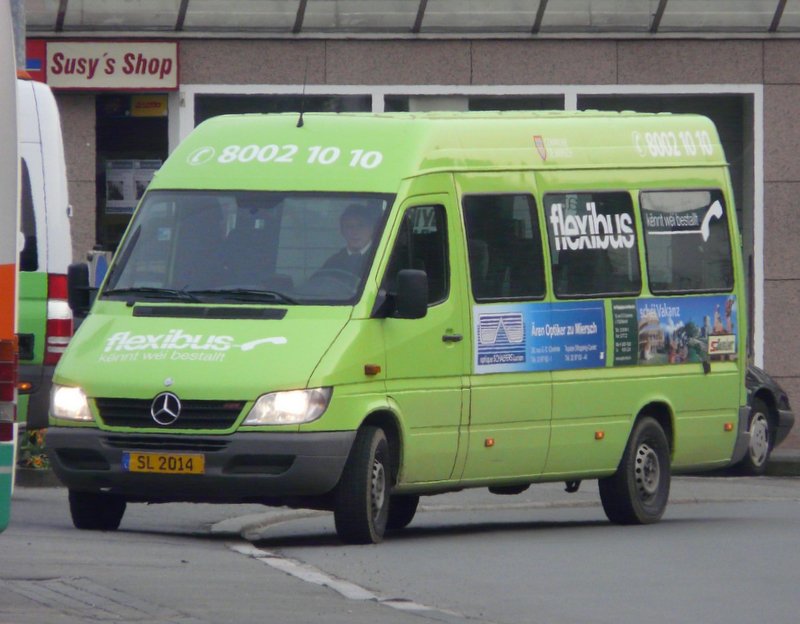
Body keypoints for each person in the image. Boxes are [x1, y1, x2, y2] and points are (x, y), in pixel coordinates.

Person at [321, 204, 379, 275]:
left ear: (371, 229)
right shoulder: (333, 263)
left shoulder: (382, 257)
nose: (355, 232)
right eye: (349, 226)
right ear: (342, 231)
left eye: (360, 226)